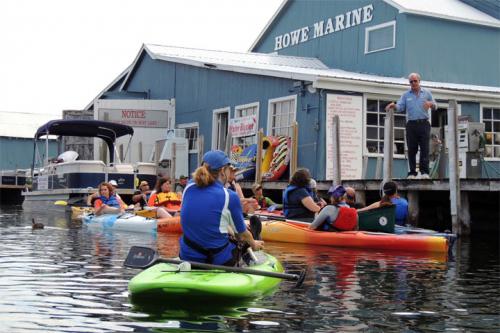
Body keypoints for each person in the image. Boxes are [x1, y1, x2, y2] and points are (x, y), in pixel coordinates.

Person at [179, 150, 264, 266]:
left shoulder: (188, 187)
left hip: (188, 257)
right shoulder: (230, 196)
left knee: (225, 229)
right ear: (223, 171)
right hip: (219, 260)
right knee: (243, 239)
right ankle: (253, 243)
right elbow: (242, 234)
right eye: (230, 169)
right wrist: (254, 244)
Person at [386, 73, 437, 180]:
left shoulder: (427, 93)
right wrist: (393, 106)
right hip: (411, 124)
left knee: (424, 148)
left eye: (415, 81)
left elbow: (435, 106)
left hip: (424, 123)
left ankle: (424, 172)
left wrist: (430, 104)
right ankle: (412, 172)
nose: (413, 83)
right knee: (412, 149)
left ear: (419, 81)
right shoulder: (406, 95)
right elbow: (400, 107)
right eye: (411, 81)